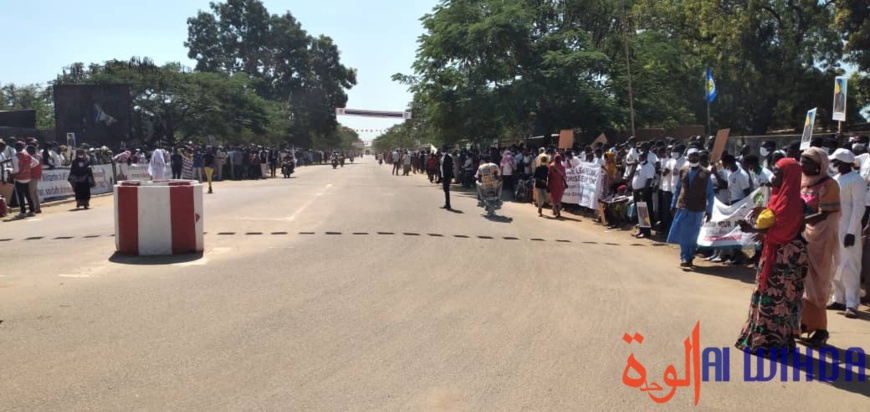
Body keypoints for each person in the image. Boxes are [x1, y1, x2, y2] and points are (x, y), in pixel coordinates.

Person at [735, 158, 807, 354]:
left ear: (789, 177)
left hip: (785, 258)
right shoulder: (778, 198)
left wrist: (752, 229)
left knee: (777, 298)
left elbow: (784, 232)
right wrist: (763, 212)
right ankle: (760, 338)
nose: (773, 177)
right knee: (765, 294)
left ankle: (772, 343)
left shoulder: (792, 202)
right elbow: (775, 220)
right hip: (773, 252)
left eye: (777, 173)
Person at [799, 147, 840, 347]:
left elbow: (825, 214)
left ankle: (821, 329)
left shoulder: (830, 185)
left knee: (817, 283)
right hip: (802, 236)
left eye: (807, 161)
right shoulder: (804, 183)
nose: (802, 164)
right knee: (802, 282)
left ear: (820, 164)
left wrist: (800, 221)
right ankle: (805, 323)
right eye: (801, 160)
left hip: (821, 240)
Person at [828, 149, 864, 319]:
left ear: (843, 162)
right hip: (835, 227)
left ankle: (852, 303)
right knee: (835, 264)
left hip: (849, 230)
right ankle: (838, 298)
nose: (833, 164)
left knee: (850, 266)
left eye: (835, 161)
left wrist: (851, 232)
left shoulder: (856, 180)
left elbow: (858, 207)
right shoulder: (835, 179)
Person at [667, 149, 714, 267]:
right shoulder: (683, 170)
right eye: (691, 156)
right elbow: (678, 189)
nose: (693, 158)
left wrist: (709, 210)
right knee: (683, 233)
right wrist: (673, 204)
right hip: (683, 206)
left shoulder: (705, 173)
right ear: (687, 157)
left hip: (697, 208)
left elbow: (710, 193)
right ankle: (685, 257)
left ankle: (690, 255)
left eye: (696, 155)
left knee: (693, 235)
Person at [10, 141, 37, 218]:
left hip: (19, 178)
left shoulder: (15, 156)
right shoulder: (27, 155)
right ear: (22, 147)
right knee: (28, 195)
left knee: (21, 196)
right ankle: (32, 210)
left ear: (16, 147)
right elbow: (36, 162)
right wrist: (28, 167)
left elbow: (16, 170)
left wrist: (10, 170)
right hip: (27, 177)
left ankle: (23, 212)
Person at [548, 153, 567, 218]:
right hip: (559, 185)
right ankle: (556, 210)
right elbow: (564, 176)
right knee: (557, 199)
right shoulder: (562, 167)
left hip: (555, 185)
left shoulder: (552, 166)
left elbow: (549, 176)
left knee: (554, 199)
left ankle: (557, 211)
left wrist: (548, 184)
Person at [25, 146, 42, 214]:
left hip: (33, 176)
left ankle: (34, 208)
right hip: (34, 175)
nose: (28, 152)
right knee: (34, 192)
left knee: (31, 192)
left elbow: (34, 164)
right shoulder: (36, 156)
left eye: (28, 150)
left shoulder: (35, 156)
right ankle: (37, 208)